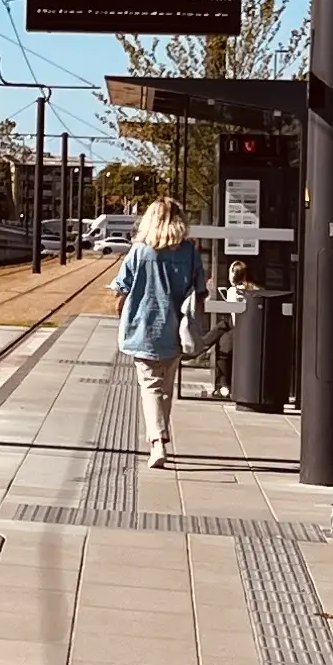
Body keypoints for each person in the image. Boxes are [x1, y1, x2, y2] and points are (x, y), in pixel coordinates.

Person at [113, 198, 206, 466]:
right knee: (165, 388)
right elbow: (200, 292)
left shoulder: (140, 251)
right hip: (177, 329)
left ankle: (157, 442)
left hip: (144, 328)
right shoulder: (190, 252)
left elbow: (122, 288)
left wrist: (121, 312)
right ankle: (160, 436)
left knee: (150, 386)